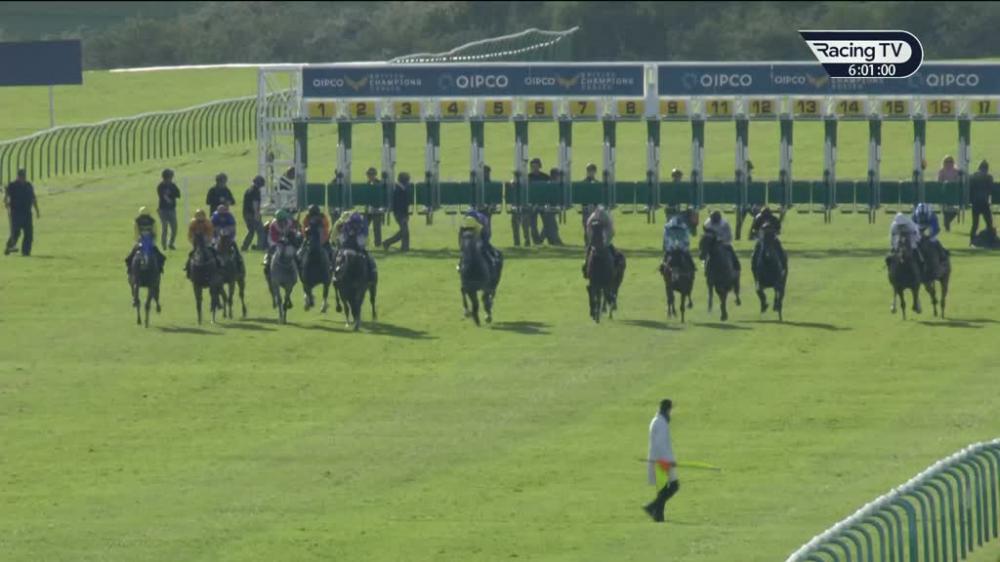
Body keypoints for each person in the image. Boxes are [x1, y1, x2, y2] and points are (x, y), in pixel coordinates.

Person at [643, 399, 679, 523]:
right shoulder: (661, 423)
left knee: (663, 489)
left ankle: (658, 516)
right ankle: (652, 507)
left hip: (659, 460)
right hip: (662, 461)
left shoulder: (658, 421)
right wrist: (669, 461)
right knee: (674, 486)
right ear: (667, 409)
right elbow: (661, 445)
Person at [4, 169, 40, 256]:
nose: (23, 178)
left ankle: (26, 252)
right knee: (16, 232)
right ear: (18, 176)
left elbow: (33, 198)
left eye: (24, 176)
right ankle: (9, 247)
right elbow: (6, 197)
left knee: (29, 233)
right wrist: (6, 202)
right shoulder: (12, 185)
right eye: (21, 176)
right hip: (16, 213)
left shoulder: (28, 185)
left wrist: (37, 210)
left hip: (27, 213)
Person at [124, 207, 166, 275]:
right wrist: (153, 241)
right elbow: (155, 233)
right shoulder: (152, 221)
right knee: (161, 257)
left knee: (129, 258)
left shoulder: (137, 221)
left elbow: (136, 233)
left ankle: (129, 269)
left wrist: (137, 242)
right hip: (150, 242)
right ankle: (160, 268)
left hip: (141, 241)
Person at [583, 205, 622, 278]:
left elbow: (610, 231)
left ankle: (616, 267)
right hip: (597, 243)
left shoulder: (605, 218)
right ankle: (586, 268)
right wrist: (593, 241)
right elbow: (589, 230)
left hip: (603, 242)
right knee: (588, 254)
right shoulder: (593, 218)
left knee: (616, 255)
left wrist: (605, 242)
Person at [748, 206, 787, 276]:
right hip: (768, 240)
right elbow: (778, 230)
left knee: (755, 256)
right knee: (781, 253)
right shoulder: (769, 218)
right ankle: (784, 268)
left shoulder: (763, 218)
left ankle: (755, 272)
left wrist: (755, 235)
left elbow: (754, 230)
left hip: (766, 240)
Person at [913, 203, 948, 277]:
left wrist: (929, 236)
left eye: (923, 217)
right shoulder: (914, 216)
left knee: (934, 241)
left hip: (930, 227)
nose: (922, 218)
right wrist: (918, 235)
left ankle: (943, 257)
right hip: (918, 228)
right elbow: (912, 229)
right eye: (921, 217)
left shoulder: (932, 216)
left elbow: (936, 229)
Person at [703, 210, 741, 277]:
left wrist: (721, 240)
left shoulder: (725, 224)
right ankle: (706, 269)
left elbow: (729, 236)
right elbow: (706, 235)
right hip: (712, 244)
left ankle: (736, 267)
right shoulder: (707, 224)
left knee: (731, 252)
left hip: (724, 243)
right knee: (707, 253)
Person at [264, 208, 301, 276]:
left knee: (294, 248)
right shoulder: (273, 225)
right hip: (274, 241)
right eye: (281, 220)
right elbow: (273, 236)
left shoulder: (289, 222)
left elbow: (293, 230)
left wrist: (292, 233)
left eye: (284, 219)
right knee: (272, 250)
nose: (283, 222)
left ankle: (298, 262)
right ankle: (267, 262)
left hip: (287, 240)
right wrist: (281, 239)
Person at [888, 211, 924, 281]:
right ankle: (890, 271)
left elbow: (917, 235)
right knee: (889, 257)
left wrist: (914, 242)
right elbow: (892, 237)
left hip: (911, 239)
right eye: (899, 225)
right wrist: (894, 246)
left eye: (902, 224)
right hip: (898, 240)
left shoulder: (911, 225)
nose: (901, 226)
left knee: (919, 255)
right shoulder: (894, 226)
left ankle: (921, 270)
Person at [185, 208, 220, 277]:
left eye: (201, 215)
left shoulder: (208, 222)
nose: (200, 217)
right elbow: (190, 233)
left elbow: (210, 233)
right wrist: (193, 241)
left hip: (206, 238)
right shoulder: (193, 223)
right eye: (198, 215)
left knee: (213, 251)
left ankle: (218, 264)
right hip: (197, 240)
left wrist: (208, 240)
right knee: (192, 253)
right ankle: (188, 267)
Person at [383, 172, 412, 252]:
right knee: (404, 231)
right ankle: (388, 243)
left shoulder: (399, 188)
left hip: (401, 213)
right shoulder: (398, 189)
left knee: (405, 231)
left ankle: (405, 247)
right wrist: (405, 214)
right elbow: (401, 204)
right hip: (400, 213)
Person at [969, 160, 995, 246]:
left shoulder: (973, 177)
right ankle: (990, 240)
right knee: (989, 223)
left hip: (976, 203)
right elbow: (991, 190)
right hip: (984, 203)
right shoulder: (989, 177)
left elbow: (970, 190)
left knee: (975, 224)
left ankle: (972, 240)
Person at [212, 203, 244, 270]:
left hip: (229, 236)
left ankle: (238, 258)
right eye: (220, 211)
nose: (222, 213)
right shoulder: (215, 216)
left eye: (223, 211)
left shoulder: (229, 216)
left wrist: (227, 231)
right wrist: (218, 231)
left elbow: (232, 227)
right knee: (212, 246)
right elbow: (212, 227)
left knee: (234, 244)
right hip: (216, 236)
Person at [156, 168, 181, 250]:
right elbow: (163, 196)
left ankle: (171, 243)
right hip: (162, 210)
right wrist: (169, 197)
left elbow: (178, 194)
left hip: (172, 209)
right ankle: (164, 245)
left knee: (174, 228)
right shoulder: (160, 186)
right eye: (170, 177)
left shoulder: (173, 185)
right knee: (165, 227)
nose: (171, 179)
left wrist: (172, 193)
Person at [937, 156, 960, 232]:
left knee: (955, 211)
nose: (949, 163)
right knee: (946, 210)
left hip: (953, 194)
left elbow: (958, 182)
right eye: (947, 162)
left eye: (950, 162)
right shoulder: (942, 171)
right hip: (944, 194)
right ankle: (947, 225)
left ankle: (947, 222)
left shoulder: (956, 171)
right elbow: (939, 182)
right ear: (944, 163)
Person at [242, 175, 265, 251]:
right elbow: (255, 203)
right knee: (260, 231)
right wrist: (256, 214)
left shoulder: (248, 190)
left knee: (251, 231)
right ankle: (260, 247)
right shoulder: (256, 191)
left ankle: (244, 246)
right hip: (252, 214)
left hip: (246, 213)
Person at [364, 166, 384, 247]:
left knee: (377, 228)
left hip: (377, 209)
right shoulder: (367, 184)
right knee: (365, 227)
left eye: (372, 174)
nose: (370, 176)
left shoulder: (379, 184)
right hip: (368, 209)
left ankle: (378, 244)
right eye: (369, 174)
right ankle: (363, 243)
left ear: (375, 175)